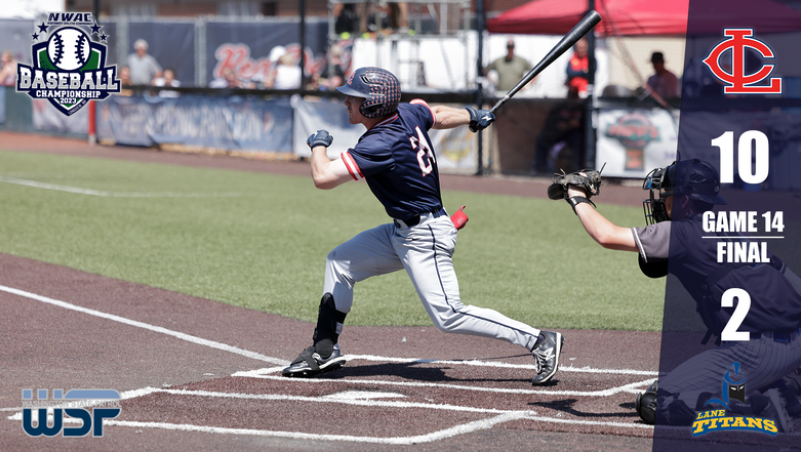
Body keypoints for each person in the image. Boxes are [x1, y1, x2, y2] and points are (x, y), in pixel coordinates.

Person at [282, 67, 565, 386]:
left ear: (373, 105)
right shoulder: (405, 112)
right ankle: (325, 348)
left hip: (424, 236)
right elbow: (440, 114)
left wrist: (318, 145)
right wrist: (471, 114)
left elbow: (322, 178)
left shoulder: (380, 143)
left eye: (355, 98)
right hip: (403, 232)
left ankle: (540, 340)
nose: (347, 102)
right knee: (340, 262)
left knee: (448, 314)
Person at [557, 160, 801, 424]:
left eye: (667, 195)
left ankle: (753, 405)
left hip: (756, 352)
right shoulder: (732, 226)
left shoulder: (682, 233)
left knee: (658, 402)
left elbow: (607, 235)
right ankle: (784, 390)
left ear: (685, 200)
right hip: (794, 340)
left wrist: (576, 196)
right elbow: (786, 275)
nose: (662, 201)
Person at [531, 85, 585, 175]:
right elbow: (550, 122)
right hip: (558, 133)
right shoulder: (560, 106)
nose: (571, 98)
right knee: (541, 140)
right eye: (570, 95)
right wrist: (558, 125)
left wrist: (568, 125)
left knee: (578, 141)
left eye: (573, 96)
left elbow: (578, 124)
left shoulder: (581, 107)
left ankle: (578, 170)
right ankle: (539, 169)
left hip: (573, 135)